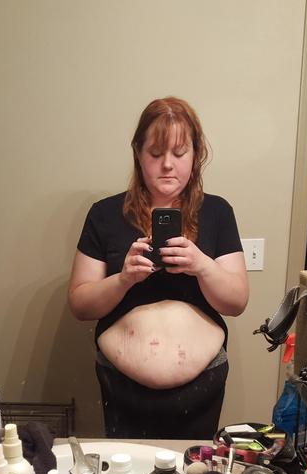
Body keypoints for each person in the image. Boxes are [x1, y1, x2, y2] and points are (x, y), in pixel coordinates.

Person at [68, 97, 249, 438]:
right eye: (155, 153)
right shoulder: (104, 214)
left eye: (179, 153)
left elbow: (237, 301)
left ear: (196, 155)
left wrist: (202, 266)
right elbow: (80, 304)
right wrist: (123, 279)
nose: (167, 164)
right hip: (121, 387)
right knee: (126, 468)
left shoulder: (218, 212)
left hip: (203, 386)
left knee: (193, 468)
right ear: (138, 153)